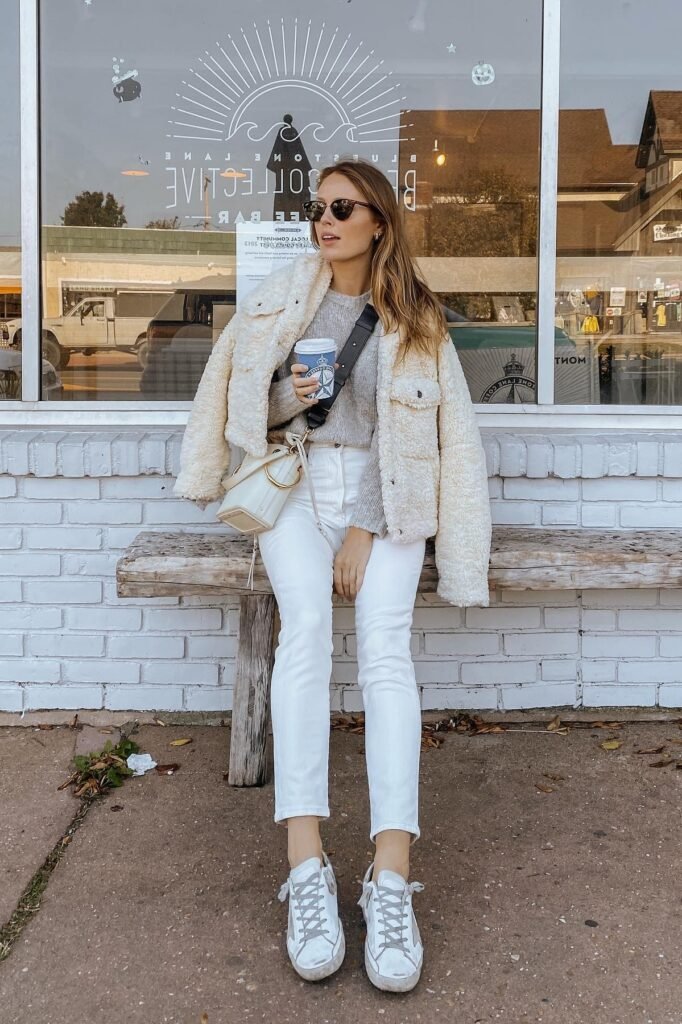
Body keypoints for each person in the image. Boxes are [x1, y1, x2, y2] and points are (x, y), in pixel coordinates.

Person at [173, 159, 492, 993]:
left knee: (386, 649)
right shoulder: (285, 294)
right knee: (307, 632)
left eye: (342, 208)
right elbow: (247, 407)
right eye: (317, 207)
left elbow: (436, 439)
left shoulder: (417, 316)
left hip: (380, 499)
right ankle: (306, 866)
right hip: (294, 482)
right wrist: (286, 393)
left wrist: (368, 528)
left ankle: (391, 878)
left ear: (378, 220)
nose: (326, 219)